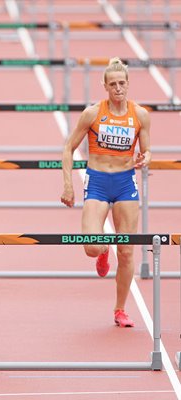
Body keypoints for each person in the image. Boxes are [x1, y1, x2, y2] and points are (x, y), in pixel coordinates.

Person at [61, 57, 151, 327]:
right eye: (113, 84)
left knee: (127, 252)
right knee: (90, 246)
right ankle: (102, 251)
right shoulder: (92, 113)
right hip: (98, 182)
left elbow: (146, 150)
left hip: (125, 183)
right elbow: (68, 148)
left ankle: (119, 310)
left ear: (128, 84)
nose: (118, 88)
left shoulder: (140, 115)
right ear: (105, 86)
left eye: (122, 83)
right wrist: (68, 185)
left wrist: (145, 157)